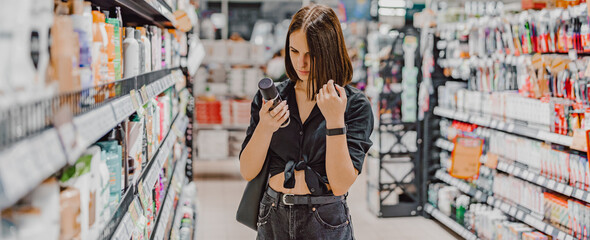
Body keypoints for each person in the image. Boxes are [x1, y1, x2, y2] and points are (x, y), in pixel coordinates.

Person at [239, 4, 374, 240]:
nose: (300, 63)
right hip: (273, 215)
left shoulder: (353, 105)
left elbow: (340, 184)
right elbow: (248, 171)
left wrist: (334, 121)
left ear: (330, 52)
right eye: (294, 51)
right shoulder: (272, 100)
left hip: (325, 220)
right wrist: (265, 127)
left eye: (311, 54)